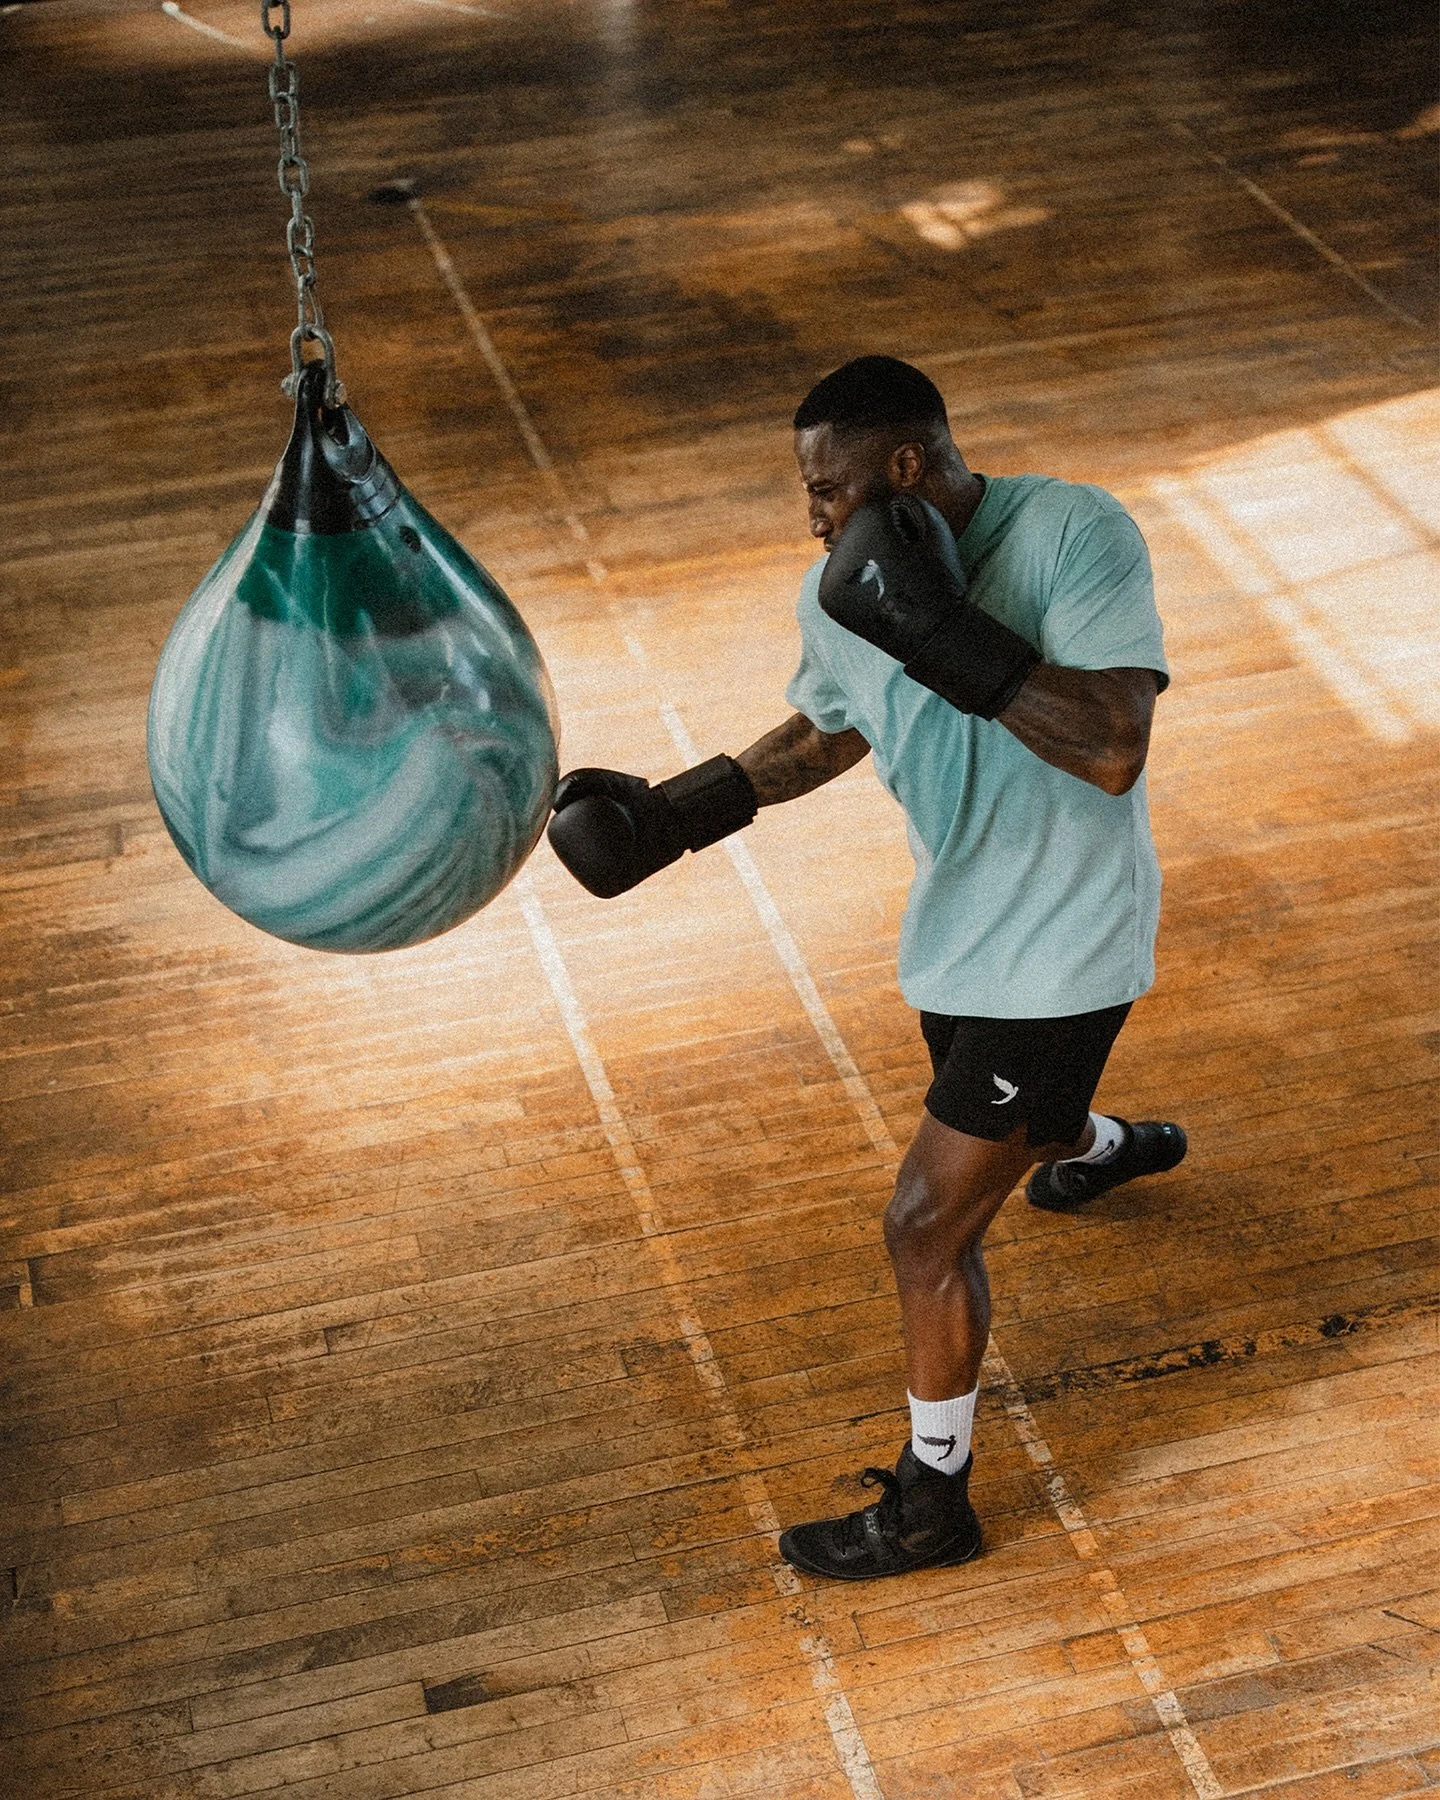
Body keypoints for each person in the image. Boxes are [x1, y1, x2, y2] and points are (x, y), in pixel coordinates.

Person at [546, 355, 1187, 1581]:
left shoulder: (1073, 531)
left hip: (1067, 945)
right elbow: (830, 725)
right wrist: (682, 812)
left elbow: (1111, 744)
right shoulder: (838, 589)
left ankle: (931, 1503)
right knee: (1022, 1133)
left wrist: (947, 634)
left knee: (923, 1225)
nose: (813, 516)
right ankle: (1108, 1149)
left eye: (827, 489)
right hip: (957, 933)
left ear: (907, 466)